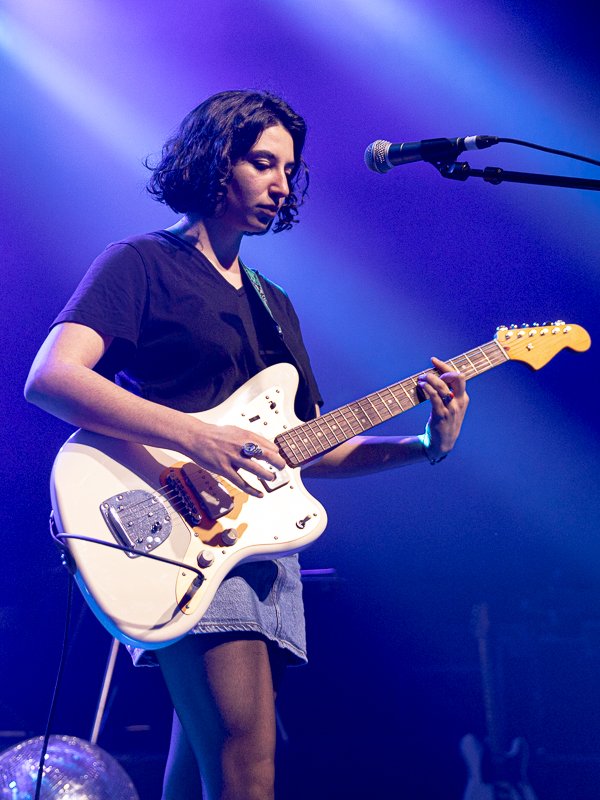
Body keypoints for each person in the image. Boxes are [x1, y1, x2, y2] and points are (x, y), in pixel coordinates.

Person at [25, 89, 469, 800]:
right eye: (263, 163)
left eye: (290, 170)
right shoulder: (141, 262)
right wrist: (197, 435)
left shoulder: (274, 303)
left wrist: (425, 444)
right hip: (179, 528)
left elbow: (308, 449)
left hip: (261, 550)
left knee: (203, 767)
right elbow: (52, 377)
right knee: (248, 767)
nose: (282, 185)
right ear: (213, 160)